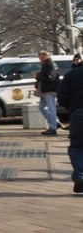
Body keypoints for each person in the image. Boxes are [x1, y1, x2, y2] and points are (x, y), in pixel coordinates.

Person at [57, 59, 83, 193]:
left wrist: (70, 108)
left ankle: (80, 175)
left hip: (78, 112)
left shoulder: (71, 74)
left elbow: (61, 95)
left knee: (77, 146)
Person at [36, 50, 60, 136]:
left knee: (51, 108)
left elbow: (50, 78)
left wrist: (38, 76)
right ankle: (55, 122)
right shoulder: (46, 65)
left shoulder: (50, 65)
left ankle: (53, 127)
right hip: (45, 90)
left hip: (50, 90)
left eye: (41, 57)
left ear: (45, 56)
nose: (40, 59)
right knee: (42, 107)